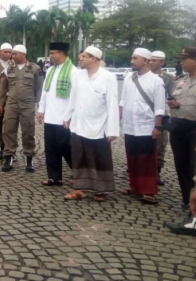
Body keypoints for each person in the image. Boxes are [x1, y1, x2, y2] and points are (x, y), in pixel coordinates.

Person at [63, 46, 119, 202]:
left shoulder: (108, 77)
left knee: (100, 158)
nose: (79, 58)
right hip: (79, 124)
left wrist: (112, 129)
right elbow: (72, 97)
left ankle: (100, 190)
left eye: (83, 56)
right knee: (79, 157)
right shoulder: (77, 76)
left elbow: (112, 103)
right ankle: (79, 189)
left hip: (99, 125)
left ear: (93, 58)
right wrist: (67, 116)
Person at [119, 48, 165, 204]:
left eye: (135, 58)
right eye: (131, 58)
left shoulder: (156, 80)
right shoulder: (128, 78)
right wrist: (119, 118)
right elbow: (123, 101)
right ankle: (135, 186)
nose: (132, 61)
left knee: (146, 160)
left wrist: (157, 127)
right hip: (130, 125)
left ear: (145, 60)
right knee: (132, 158)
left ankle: (149, 191)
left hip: (146, 126)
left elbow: (159, 106)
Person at [0, 44, 43, 172]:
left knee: (28, 132)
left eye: (15, 53)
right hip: (11, 104)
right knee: (8, 130)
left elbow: (40, 88)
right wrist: (0, 104)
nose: (12, 56)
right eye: (12, 53)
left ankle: (29, 158)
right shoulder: (8, 69)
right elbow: (3, 88)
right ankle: (9, 156)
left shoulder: (35, 68)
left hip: (28, 105)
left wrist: (40, 105)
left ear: (23, 54)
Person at [37, 42, 76, 186]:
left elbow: (75, 96)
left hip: (65, 117)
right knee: (51, 147)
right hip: (50, 115)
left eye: (52, 53)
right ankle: (54, 176)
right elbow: (45, 92)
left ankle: (78, 171)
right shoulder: (50, 70)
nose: (50, 56)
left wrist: (70, 116)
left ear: (61, 53)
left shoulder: (74, 71)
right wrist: (41, 110)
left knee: (65, 145)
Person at [166, 46, 196, 210]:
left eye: (185, 59)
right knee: (181, 164)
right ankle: (187, 199)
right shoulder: (180, 79)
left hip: (194, 127)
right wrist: (174, 104)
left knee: (194, 166)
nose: (181, 62)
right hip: (178, 126)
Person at [148, 50, 174, 186]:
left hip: (162, 115)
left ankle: (156, 173)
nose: (151, 62)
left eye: (154, 60)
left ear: (162, 62)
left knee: (160, 145)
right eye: (150, 59)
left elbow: (172, 96)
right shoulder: (141, 76)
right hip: (145, 114)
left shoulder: (168, 78)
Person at [0, 43, 13, 160]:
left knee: (10, 126)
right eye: (6, 52)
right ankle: (2, 147)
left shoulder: (14, 66)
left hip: (11, 99)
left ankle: (11, 150)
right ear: (0, 52)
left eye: (10, 52)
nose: (8, 54)